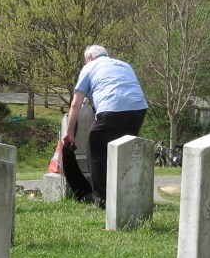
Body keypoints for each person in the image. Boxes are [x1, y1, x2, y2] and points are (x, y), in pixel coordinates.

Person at [62, 45, 148, 208]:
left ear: (89, 58)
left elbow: (75, 104)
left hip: (111, 109)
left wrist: (70, 133)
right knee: (126, 151)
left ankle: (101, 199)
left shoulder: (89, 67)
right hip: (138, 109)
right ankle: (130, 195)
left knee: (96, 151)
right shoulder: (124, 64)